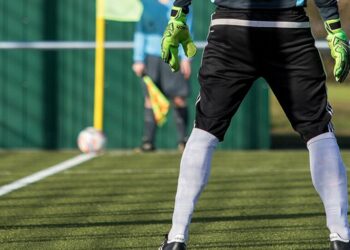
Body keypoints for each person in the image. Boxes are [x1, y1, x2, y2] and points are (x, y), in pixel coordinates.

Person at [159, 0, 350, 249]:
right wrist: (334, 28)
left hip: (231, 27)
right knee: (318, 131)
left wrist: (178, 13)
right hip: (287, 28)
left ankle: (177, 237)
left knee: (204, 130)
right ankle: (341, 237)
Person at [132, 0, 193, 152]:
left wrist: (186, 58)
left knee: (179, 98)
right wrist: (138, 59)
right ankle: (148, 142)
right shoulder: (146, 3)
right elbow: (140, 31)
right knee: (150, 99)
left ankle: (183, 141)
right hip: (151, 58)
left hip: (174, 56)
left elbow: (187, 29)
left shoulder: (181, 3)